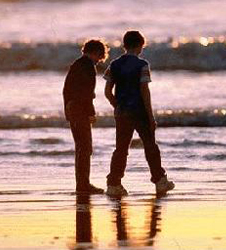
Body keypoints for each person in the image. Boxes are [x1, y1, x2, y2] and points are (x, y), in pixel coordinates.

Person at [104, 31, 174, 197]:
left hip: (122, 112)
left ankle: (114, 184)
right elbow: (145, 91)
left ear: (125, 45)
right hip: (139, 111)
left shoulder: (114, 64)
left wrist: (118, 106)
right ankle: (159, 181)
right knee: (150, 146)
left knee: (120, 149)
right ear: (139, 45)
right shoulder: (142, 64)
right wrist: (151, 117)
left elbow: (107, 91)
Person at [63, 39, 109, 194]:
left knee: (81, 148)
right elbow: (87, 93)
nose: (99, 61)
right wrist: (91, 112)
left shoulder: (76, 64)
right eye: (99, 56)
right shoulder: (88, 66)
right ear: (95, 52)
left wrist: (67, 110)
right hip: (80, 110)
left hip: (73, 109)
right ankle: (84, 184)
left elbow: (66, 90)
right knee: (85, 148)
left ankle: (82, 183)